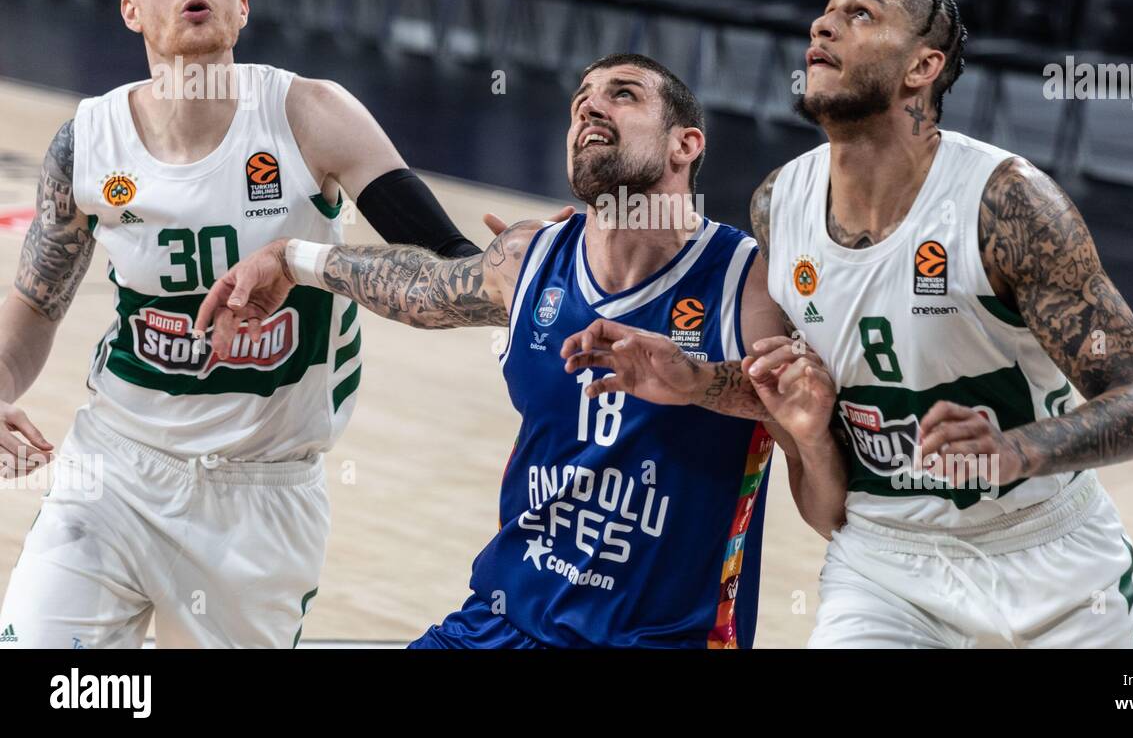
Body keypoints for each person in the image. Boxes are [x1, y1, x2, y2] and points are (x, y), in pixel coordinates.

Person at [567, 0, 1133, 648]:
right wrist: (697, 380)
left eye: (860, 14)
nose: (821, 27)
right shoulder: (780, 204)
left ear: (923, 67)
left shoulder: (1007, 204)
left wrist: (1016, 450)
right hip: (886, 564)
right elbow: (803, 395)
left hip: (1047, 560)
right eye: (824, 12)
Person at [197, 53, 846, 648]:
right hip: (502, 621)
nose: (590, 107)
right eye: (581, 100)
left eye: (622, 95)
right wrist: (291, 257)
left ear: (686, 144)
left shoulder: (751, 284)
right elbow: (419, 287)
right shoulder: (531, 257)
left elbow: (828, 506)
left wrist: (773, 418)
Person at [0, 0, 481, 648]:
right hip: (115, 470)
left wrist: (304, 261)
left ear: (241, 6)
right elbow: (36, 303)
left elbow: (448, 274)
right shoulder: (89, 142)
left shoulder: (311, 116)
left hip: (262, 495)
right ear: (131, 10)